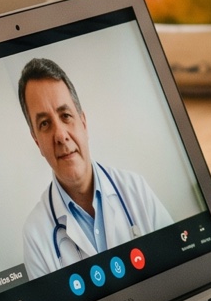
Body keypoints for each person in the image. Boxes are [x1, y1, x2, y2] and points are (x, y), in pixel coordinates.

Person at [18, 57, 172, 279]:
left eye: (65, 116)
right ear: (37, 143)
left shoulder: (135, 189)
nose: (60, 135)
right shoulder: (35, 235)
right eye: (45, 124)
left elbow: (182, 271)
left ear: (83, 123)